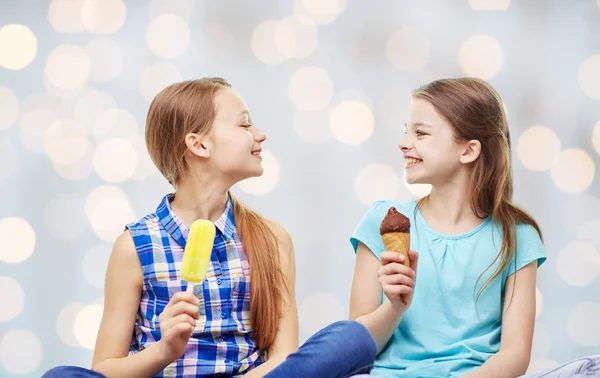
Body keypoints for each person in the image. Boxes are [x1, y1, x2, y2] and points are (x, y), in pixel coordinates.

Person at [43, 78, 376, 378]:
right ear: (199, 144)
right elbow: (105, 369)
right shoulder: (135, 246)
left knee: (352, 338)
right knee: (61, 377)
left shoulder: (272, 239)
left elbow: (284, 358)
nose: (259, 135)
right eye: (244, 125)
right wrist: (164, 350)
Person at [349, 77, 546, 377]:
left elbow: (515, 353)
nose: (404, 143)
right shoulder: (383, 222)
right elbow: (355, 350)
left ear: (468, 151)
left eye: (421, 133)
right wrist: (394, 307)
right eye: (407, 132)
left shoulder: (516, 237)